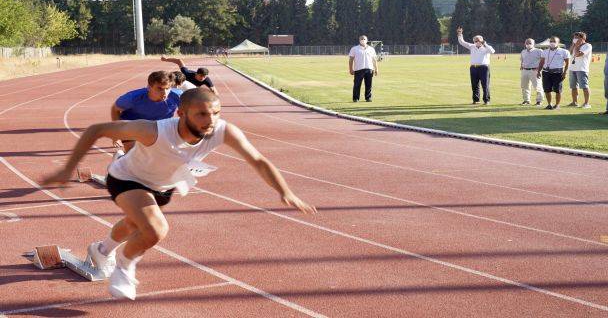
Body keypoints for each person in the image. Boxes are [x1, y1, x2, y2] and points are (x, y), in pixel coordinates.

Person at [41, 89, 316, 300]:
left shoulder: (221, 130)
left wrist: (285, 191)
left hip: (163, 187)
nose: (211, 121)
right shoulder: (154, 131)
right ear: (181, 113)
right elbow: (97, 130)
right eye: (202, 114)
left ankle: (101, 251)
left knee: (136, 225)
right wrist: (66, 169)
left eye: (216, 113)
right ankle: (124, 267)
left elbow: (258, 160)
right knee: (155, 229)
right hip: (126, 179)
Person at [111, 71, 180, 152]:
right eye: (159, 88)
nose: (164, 93)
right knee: (133, 155)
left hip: (158, 126)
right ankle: (120, 156)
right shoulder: (132, 98)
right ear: (149, 87)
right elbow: (114, 109)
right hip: (133, 125)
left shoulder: (178, 96)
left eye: (167, 88)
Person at [457, 27, 495, 105]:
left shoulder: (486, 48)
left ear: (481, 41)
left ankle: (486, 100)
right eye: (475, 41)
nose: (476, 42)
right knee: (474, 85)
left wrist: (485, 44)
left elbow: (492, 51)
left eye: (478, 40)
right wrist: (460, 34)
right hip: (473, 67)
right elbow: (462, 42)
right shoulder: (472, 46)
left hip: (484, 67)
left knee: (485, 84)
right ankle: (476, 100)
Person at [537, 37, 570, 110]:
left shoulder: (564, 51)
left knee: (557, 90)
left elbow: (567, 63)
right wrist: (538, 71)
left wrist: (565, 73)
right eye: (551, 41)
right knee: (547, 89)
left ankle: (557, 105)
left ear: (558, 42)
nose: (552, 43)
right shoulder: (544, 51)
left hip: (557, 73)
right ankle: (549, 104)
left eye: (554, 41)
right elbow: (541, 62)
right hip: (546, 72)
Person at [348, 35, 379, 102]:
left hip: (369, 69)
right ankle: (355, 98)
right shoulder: (354, 49)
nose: (363, 40)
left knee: (369, 85)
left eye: (364, 39)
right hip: (359, 69)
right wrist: (351, 69)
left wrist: (376, 69)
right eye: (361, 39)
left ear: (367, 40)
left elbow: (374, 60)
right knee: (357, 84)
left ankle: (368, 98)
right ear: (359, 40)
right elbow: (351, 60)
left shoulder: (371, 49)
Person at [568, 32, 593, 108]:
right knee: (573, 87)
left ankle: (586, 103)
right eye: (574, 38)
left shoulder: (587, 46)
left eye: (576, 38)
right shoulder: (575, 45)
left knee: (584, 86)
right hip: (572, 68)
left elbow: (578, 54)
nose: (575, 39)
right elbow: (570, 52)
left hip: (581, 68)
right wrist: (573, 44)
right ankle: (574, 102)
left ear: (582, 38)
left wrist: (578, 45)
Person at [519, 38, 543, 105]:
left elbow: (543, 60)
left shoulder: (539, 51)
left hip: (534, 70)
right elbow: (522, 60)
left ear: (534, 44)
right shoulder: (523, 51)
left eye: (530, 43)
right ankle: (526, 100)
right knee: (524, 86)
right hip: (524, 70)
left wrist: (539, 68)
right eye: (527, 43)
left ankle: (539, 101)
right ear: (525, 44)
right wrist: (521, 65)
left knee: (538, 86)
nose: (528, 44)